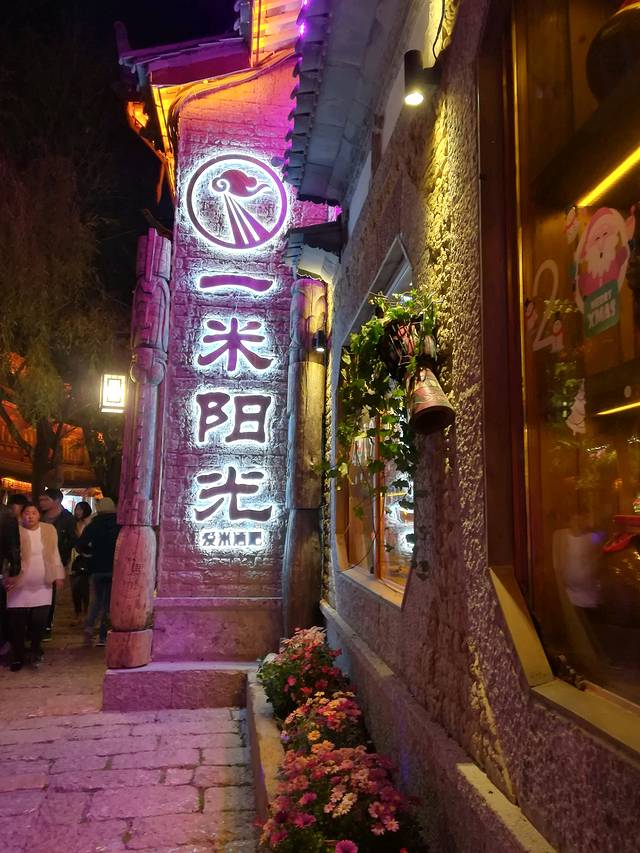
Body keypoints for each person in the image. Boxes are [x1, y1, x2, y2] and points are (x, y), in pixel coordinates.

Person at [4, 502, 64, 671]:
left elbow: (55, 553)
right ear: (21, 515)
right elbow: (7, 557)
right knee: (17, 623)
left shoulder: (48, 530)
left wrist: (58, 575)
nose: (30, 516)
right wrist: (6, 576)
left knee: (39, 622)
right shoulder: (14, 531)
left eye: (33, 513)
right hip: (18, 583)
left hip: (43, 583)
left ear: (39, 515)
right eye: (26, 513)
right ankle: (18, 655)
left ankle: (35, 650)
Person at [78, 497, 119, 647]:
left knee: (95, 602)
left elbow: (80, 545)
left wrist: (89, 554)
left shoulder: (93, 525)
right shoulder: (119, 525)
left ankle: (89, 630)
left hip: (97, 569)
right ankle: (103, 636)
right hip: (115, 569)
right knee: (109, 604)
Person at [38, 488, 75, 635]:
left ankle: (46, 625)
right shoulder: (38, 516)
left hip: (56, 559)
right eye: (41, 500)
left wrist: (63, 552)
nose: (42, 503)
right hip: (36, 558)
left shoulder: (67, 518)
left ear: (57, 501)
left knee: (50, 593)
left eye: (45, 500)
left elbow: (72, 539)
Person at [0, 497, 22, 657]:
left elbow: (13, 548)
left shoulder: (6, 516)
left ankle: (6, 642)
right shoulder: (7, 516)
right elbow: (13, 548)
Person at [70, 501, 93, 623]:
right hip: (76, 558)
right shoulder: (74, 524)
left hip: (89, 559)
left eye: (80, 509)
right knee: (75, 587)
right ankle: (78, 612)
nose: (77, 512)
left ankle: (85, 613)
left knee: (85, 587)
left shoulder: (92, 524)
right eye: (76, 509)